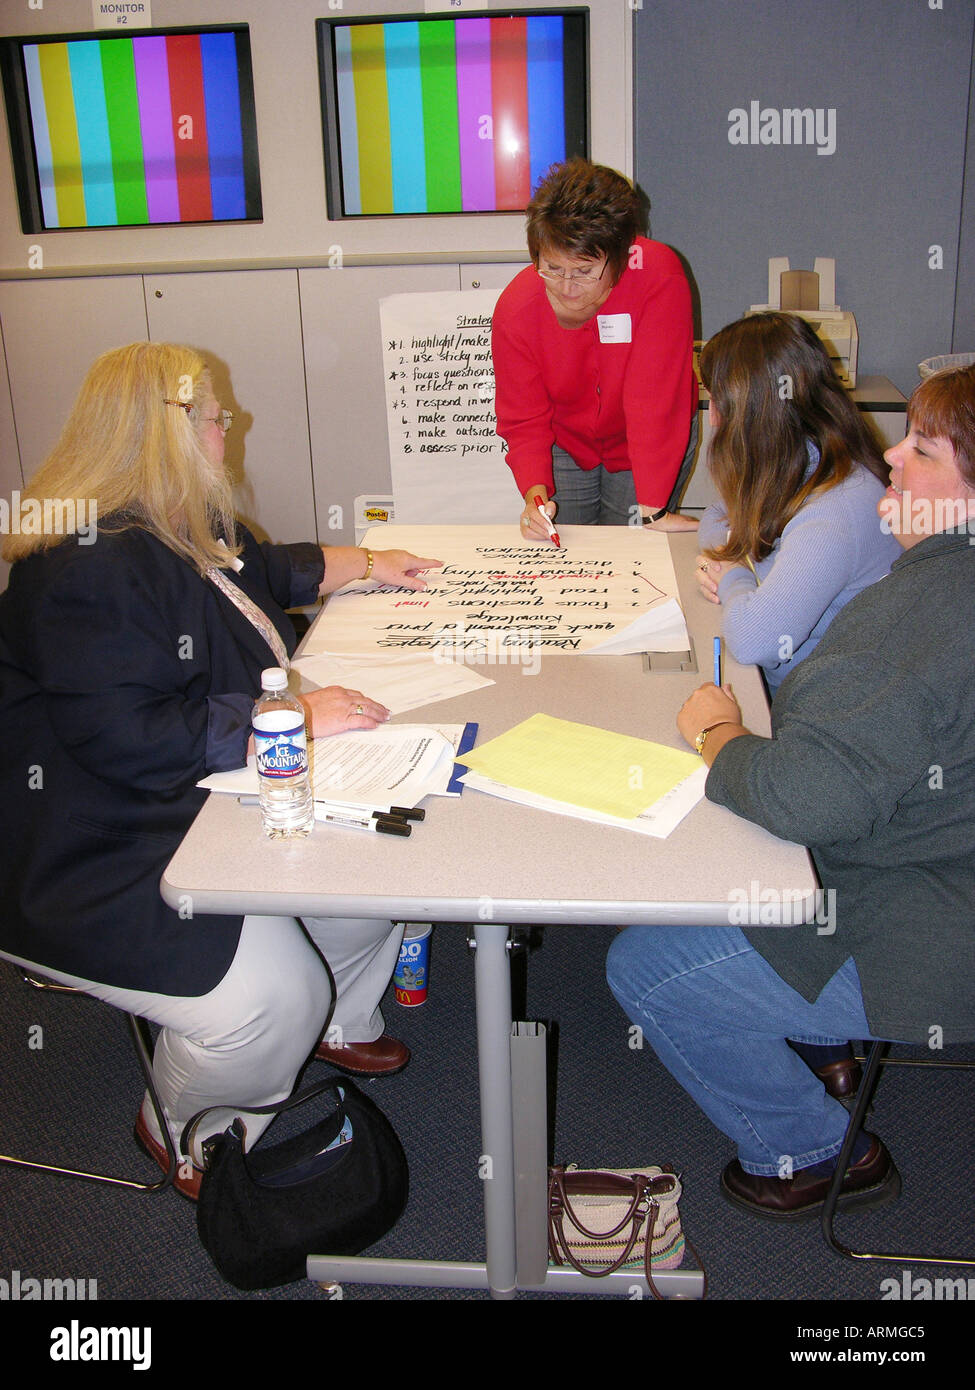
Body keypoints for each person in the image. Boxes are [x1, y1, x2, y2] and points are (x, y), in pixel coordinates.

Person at [0, 342, 441, 1198]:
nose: (226, 426)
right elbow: (129, 738)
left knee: (375, 862)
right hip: (78, 844)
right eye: (212, 417)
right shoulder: (89, 567)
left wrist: (363, 563)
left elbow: (255, 571)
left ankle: (336, 1021)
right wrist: (292, 716)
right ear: (166, 432)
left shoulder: (164, 521)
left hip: (163, 791)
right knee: (269, 993)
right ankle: (187, 1125)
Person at [607, 361, 975, 1221]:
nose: (892, 460)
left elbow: (808, 800)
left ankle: (812, 1153)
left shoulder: (919, 618)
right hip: (939, 856)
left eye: (922, 450)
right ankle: (818, 1037)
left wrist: (717, 736)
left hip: (931, 919)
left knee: (648, 965)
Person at [491, 157, 699, 540]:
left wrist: (651, 511)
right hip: (565, 443)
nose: (566, 286)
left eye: (584, 272)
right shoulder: (517, 308)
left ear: (619, 259)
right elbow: (523, 417)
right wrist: (534, 496)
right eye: (551, 267)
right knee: (570, 556)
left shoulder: (658, 277)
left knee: (635, 553)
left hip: (649, 446)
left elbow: (654, 400)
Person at [695, 312, 903, 694]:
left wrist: (732, 576)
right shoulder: (806, 457)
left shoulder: (835, 510)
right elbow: (717, 516)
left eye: (720, 403)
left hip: (811, 707)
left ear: (754, 411)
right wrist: (736, 562)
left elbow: (755, 642)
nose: (714, 421)